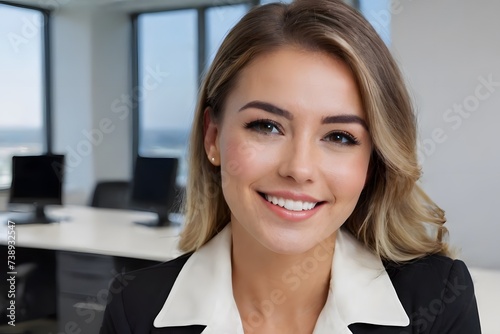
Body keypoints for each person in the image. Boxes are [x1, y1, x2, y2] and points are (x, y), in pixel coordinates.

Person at [100, 0, 481, 333]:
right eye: (267, 126)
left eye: (340, 136)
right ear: (213, 137)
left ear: (375, 159)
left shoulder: (438, 299)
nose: (299, 169)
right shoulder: (135, 309)